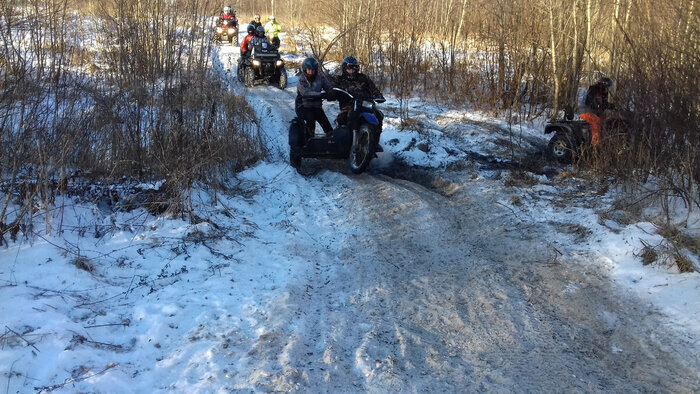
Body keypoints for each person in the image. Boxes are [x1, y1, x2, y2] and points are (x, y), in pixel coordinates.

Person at [333, 56, 384, 127]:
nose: (351, 70)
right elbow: (334, 89)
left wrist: (378, 95)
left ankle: (375, 137)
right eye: (349, 68)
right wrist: (332, 93)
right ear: (344, 68)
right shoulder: (340, 79)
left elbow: (373, 88)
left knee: (379, 115)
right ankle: (343, 135)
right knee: (342, 119)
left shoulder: (363, 78)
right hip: (348, 106)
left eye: (354, 68)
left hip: (365, 104)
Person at [296, 57, 334, 136]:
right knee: (310, 119)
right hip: (303, 106)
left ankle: (331, 141)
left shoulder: (320, 77)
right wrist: (321, 95)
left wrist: (331, 93)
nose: (311, 72)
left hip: (317, 106)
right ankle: (309, 140)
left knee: (327, 125)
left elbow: (329, 86)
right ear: (305, 69)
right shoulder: (301, 80)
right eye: (309, 70)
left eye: (313, 70)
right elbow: (306, 93)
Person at [580, 76, 613, 148]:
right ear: (602, 85)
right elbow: (588, 102)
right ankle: (596, 144)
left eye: (608, 88)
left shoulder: (603, 93)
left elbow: (604, 104)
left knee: (605, 121)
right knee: (596, 121)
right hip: (586, 112)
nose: (607, 89)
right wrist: (598, 105)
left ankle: (605, 141)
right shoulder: (594, 89)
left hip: (595, 113)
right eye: (607, 87)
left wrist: (612, 106)